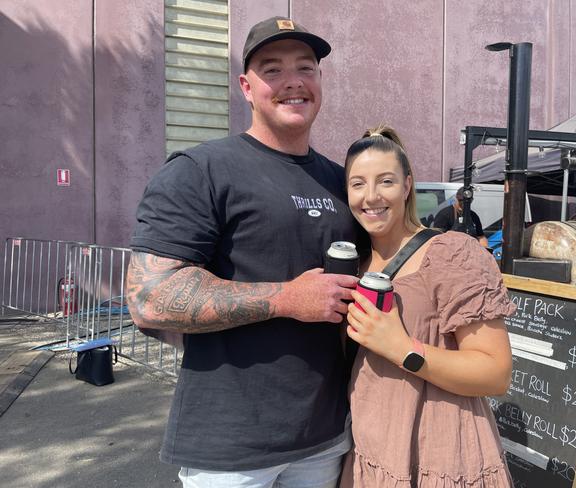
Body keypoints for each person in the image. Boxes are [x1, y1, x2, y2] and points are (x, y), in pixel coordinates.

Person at [126, 17, 362, 488]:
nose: (293, 81)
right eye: (272, 70)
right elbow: (148, 298)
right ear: (246, 87)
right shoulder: (201, 170)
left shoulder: (343, 181)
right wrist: (286, 299)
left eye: (306, 68)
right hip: (230, 448)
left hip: (326, 437)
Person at [339, 125, 515, 487]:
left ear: (406, 186)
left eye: (385, 181)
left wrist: (402, 348)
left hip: (440, 454)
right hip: (370, 452)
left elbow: (495, 373)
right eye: (358, 184)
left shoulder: (451, 254)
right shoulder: (352, 264)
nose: (370, 196)